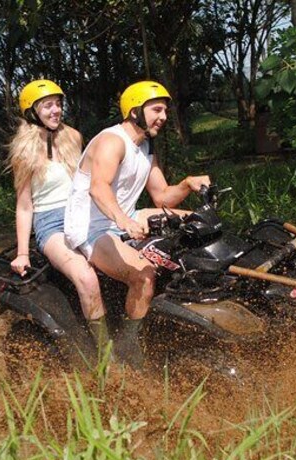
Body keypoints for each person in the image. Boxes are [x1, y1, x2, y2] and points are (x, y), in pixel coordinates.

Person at [65, 80, 210, 364]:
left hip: (125, 217)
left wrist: (187, 183)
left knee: (197, 221)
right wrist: (123, 221)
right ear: (134, 111)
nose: (164, 117)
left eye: (166, 111)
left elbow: (163, 197)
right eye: (157, 109)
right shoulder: (111, 141)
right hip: (92, 229)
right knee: (143, 277)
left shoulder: (144, 148)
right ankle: (128, 347)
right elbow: (99, 188)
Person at [7, 79, 108, 352]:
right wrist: (23, 253)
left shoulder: (73, 136)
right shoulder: (24, 151)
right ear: (32, 111)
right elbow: (25, 205)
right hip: (50, 222)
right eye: (47, 105)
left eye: (58, 104)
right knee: (86, 277)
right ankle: (104, 356)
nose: (56, 110)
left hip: (86, 213)